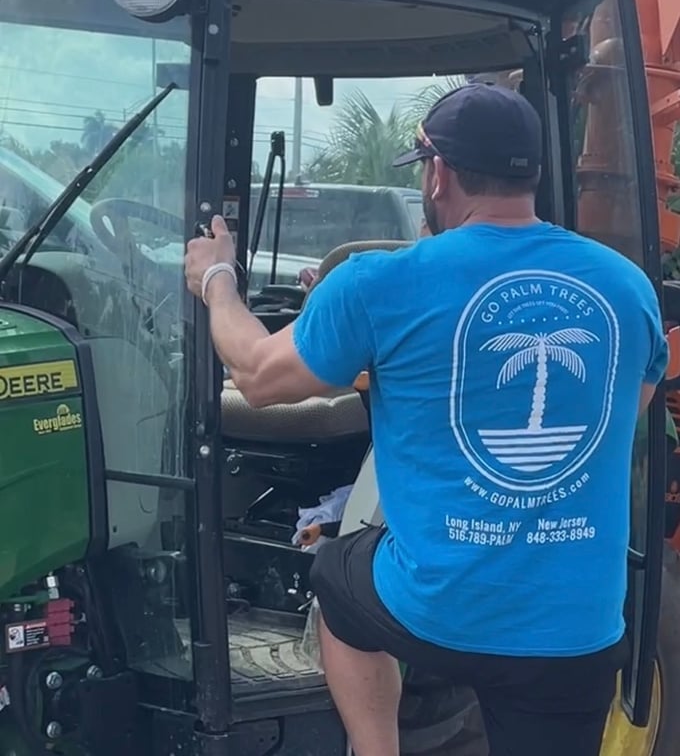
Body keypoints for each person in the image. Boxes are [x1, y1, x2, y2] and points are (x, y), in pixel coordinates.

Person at [184, 83, 668, 756]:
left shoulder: (378, 282)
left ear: (438, 172)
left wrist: (218, 281)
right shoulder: (626, 286)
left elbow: (258, 377)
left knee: (335, 572)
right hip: (576, 628)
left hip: (436, 607)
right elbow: (623, 414)